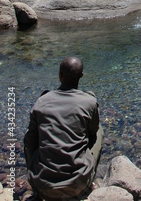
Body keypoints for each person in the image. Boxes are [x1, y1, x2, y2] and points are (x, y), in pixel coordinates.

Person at [24, 56, 103, 200]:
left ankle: (36, 182)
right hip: (77, 185)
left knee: (31, 137)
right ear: (81, 76)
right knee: (99, 130)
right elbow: (92, 133)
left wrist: (33, 168)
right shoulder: (90, 102)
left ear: (60, 74)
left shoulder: (42, 101)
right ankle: (88, 179)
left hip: (43, 186)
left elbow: (29, 142)